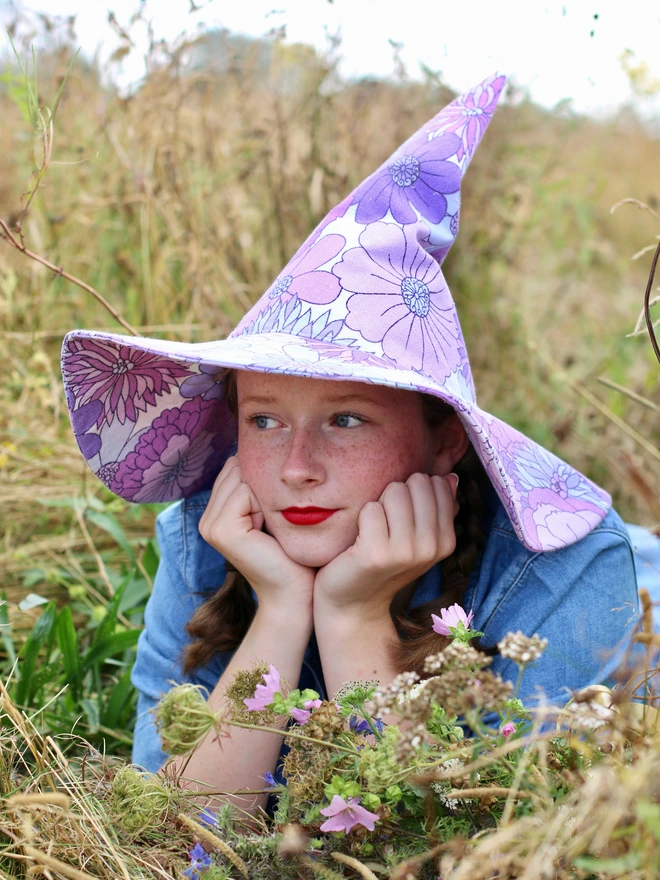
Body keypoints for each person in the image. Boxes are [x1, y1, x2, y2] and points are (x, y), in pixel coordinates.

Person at [61, 74, 651, 807]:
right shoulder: (206, 540)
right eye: (264, 420)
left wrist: (354, 618)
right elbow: (181, 833)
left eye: (346, 420)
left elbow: (463, 844)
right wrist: (278, 610)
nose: (296, 470)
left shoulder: (566, 574)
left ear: (446, 443)